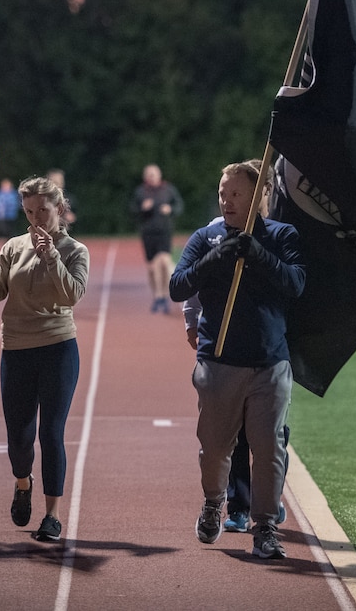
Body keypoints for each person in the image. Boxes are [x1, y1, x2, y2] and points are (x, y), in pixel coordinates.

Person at [169, 161, 305, 560]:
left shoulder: (282, 235)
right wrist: (216, 258)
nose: (227, 201)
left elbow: (296, 284)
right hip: (218, 363)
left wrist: (258, 254)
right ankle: (214, 502)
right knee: (214, 448)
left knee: (269, 448)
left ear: (258, 194)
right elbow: (178, 287)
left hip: (269, 364)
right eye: (222, 194)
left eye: (235, 194)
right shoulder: (205, 237)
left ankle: (265, 526)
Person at [0, 176, 88, 542]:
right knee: (19, 437)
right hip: (17, 350)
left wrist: (51, 254)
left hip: (58, 348)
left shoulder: (74, 250)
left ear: (59, 208)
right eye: (29, 211)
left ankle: (52, 515)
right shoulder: (14, 246)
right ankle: (22, 482)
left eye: (43, 210)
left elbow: (71, 295)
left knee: (51, 433)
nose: (37, 218)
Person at [130, 163, 184, 314]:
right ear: (145, 177)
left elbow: (179, 205)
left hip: (164, 231)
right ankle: (157, 295)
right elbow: (132, 210)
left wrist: (170, 209)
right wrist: (142, 208)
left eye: (154, 174)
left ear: (159, 175)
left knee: (165, 262)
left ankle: (164, 295)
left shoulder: (168, 189)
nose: (152, 177)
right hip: (148, 233)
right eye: (149, 175)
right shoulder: (141, 192)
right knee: (152, 267)